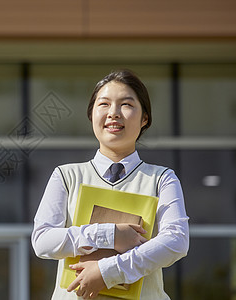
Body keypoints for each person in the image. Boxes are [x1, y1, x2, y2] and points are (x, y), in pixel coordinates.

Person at [31, 70, 189, 299]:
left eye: (126, 104)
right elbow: (43, 241)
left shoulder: (162, 179)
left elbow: (176, 241)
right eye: (103, 104)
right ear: (91, 115)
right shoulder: (66, 176)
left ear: (145, 118)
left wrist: (108, 271)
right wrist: (109, 235)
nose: (113, 113)